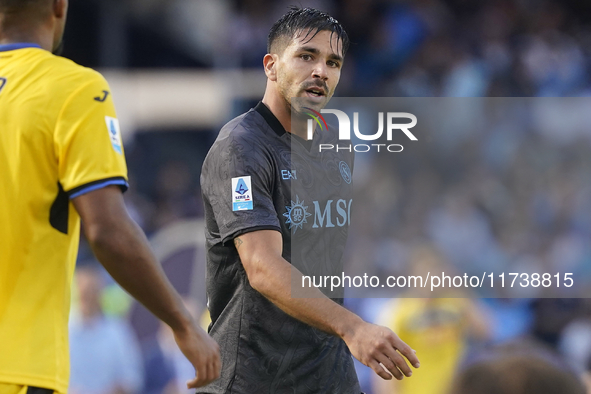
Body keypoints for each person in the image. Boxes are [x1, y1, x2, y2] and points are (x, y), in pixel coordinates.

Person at [0, 1, 220, 393]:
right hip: (17, 366)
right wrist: (184, 325)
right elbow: (107, 230)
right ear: (58, 6)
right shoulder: (71, 88)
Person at [200, 6, 420, 393]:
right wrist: (353, 326)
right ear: (271, 65)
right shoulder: (241, 148)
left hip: (327, 369)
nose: (321, 71)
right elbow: (262, 267)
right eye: (306, 56)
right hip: (254, 374)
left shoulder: (337, 142)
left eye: (333, 62)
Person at [69, 265, 143, 394]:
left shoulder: (118, 331)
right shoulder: (63, 330)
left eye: (91, 291)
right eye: (84, 292)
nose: (87, 297)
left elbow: (132, 379)